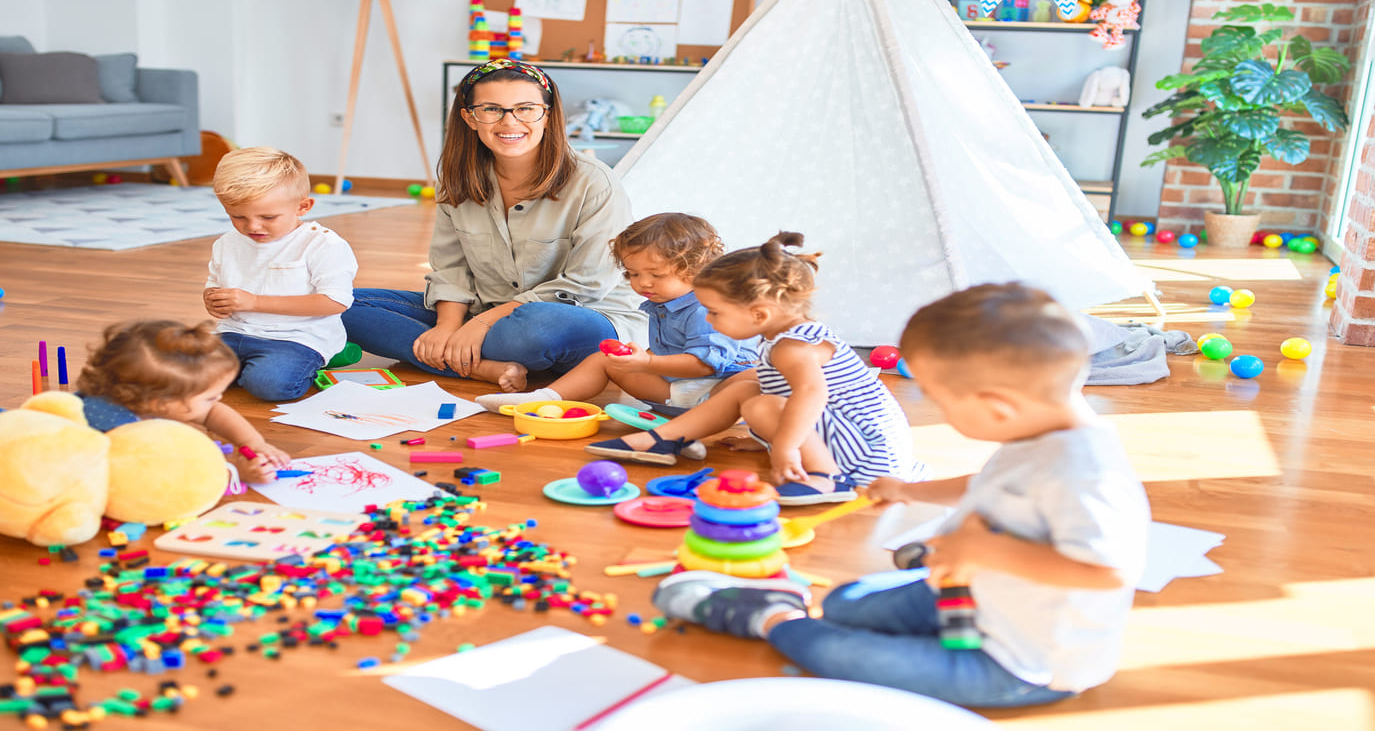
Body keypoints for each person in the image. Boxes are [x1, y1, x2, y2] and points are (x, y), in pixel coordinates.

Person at [648, 283, 1150, 708]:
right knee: (845, 604)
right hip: (972, 599)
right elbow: (986, 487)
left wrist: (980, 549)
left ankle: (767, 616)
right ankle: (809, 608)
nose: (935, 407)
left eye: (940, 398)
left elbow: (1110, 572)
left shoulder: (1087, 473)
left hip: (1020, 662)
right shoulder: (1039, 435)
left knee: (837, 656)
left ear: (998, 406)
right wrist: (910, 491)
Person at [341, 60, 645, 389]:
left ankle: (464, 351)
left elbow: (585, 285)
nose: (509, 121)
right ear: (470, 117)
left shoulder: (594, 182)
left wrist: (482, 324)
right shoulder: (457, 181)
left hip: (578, 317)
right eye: (491, 109)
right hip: (489, 310)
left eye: (526, 109)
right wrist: (447, 325)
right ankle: (480, 366)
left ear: (547, 113)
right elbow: (451, 268)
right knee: (339, 303)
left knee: (536, 329)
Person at [587, 232, 925, 505]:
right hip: (849, 436)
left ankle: (826, 478)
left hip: (868, 456)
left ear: (759, 314)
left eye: (715, 312)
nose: (708, 319)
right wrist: (766, 434)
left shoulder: (794, 347)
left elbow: (812, 394)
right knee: (748, 388)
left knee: (761, 402)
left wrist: (786, 445)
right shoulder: (783, 336)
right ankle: (663, 440)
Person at [476, 212, 758, 416]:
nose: (642, 283)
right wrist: (642, 359)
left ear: (698, 269)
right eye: (632, 273)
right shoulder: (661, 302)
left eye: (656, 275)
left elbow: (705, 365)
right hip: (674, 394)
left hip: (718, 394)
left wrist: (646, 362)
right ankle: (539, 399)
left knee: (753, 381)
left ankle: (694, 427)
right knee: (603, 360)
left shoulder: (705, 308)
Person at [204, 146, 358, 401]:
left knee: (270, 384)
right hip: (232, 332)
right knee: (174, 370)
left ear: (303, 207)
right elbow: (214, 283)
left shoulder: (323, 245)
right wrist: (211, 297)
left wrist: (254, 302)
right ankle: (242, 368)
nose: (252, 226)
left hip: (296, 338)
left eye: (268, 217)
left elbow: (335, 302)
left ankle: (325, 354)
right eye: (238, 216)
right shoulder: (226, 243)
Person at [75, 320, 290, 485]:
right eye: (209, 397)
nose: (219, 399)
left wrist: (254, 443)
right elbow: (171, 476)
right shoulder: (122, 432)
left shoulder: (142, 399)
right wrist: (234, 472)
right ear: (161, 404)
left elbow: (212, 412)